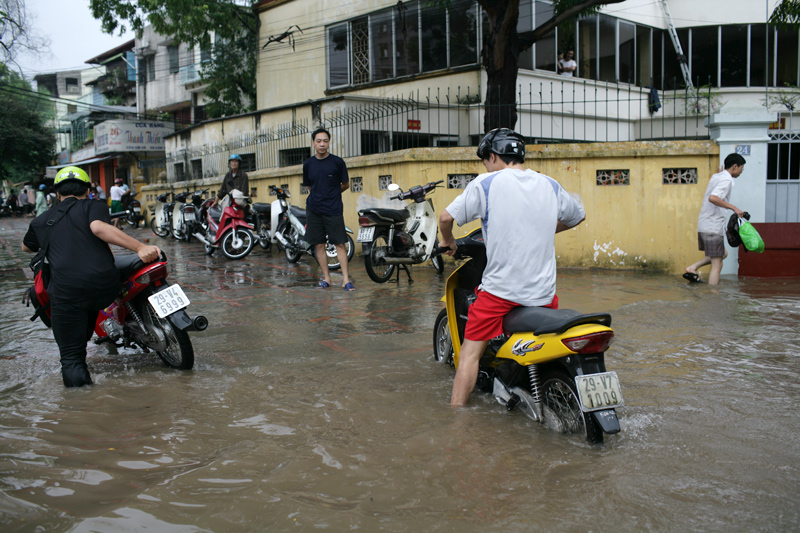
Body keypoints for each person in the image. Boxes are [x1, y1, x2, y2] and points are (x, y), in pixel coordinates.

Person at [438, 128, 586, 406]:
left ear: (493, 157)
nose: (486, 166)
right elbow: (578, 215)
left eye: (485, 161)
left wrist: (449, 243)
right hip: (543, 295)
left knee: (468, 354)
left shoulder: (487, 183)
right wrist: (543, 229)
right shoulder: (549, 184)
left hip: (500, 294)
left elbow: (446, 218)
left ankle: (455, 420)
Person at [21, 166, 160, 387]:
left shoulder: (41, 221)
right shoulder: (93, 205)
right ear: (88, 191)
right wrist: (140, 247)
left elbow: (26, 247)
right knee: (86, 318)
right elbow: (98, 227)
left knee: (72, 359)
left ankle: (81, 409)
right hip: (104, 288)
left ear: (57, 194)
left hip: (67, 294)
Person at [302, 127, 355, 291]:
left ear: (329, 142)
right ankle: (327, 279)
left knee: (339, 244)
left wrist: (332, 194)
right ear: (313, 143)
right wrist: (320, 196)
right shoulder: (308, 164)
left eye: (325, 141)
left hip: (333, 209)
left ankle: (346, 280)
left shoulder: (337, 162)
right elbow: (310, 186)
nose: (322, 144)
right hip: (314, 209)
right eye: (318, 141)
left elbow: (345, 184)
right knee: (319, 245)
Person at [684, 153, 746, 286]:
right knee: (717, 265)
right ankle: (713, 297)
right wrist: (734, 208)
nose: (741, 171)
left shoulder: (717, 176)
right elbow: (713, 198)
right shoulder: (726, 180)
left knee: (722, 253)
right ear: (735, 166)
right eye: (741, 168)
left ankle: (692, 268)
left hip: (704, 225)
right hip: (713, 226)